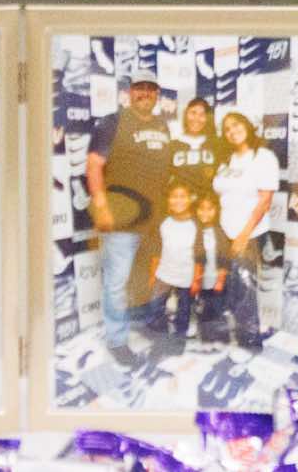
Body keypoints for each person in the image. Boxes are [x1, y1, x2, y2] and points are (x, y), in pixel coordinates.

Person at [84, 73, 171, 367]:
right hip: (122, 217)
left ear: (157, 94)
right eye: (139, 88)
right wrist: (101, 205)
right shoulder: (112, 122)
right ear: (130, 92)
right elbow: (94, 165)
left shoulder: (162, 125)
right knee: (116, 282)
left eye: (150, 89)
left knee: (144, 277)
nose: (145, 93)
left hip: (154, 219)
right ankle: (117, 340)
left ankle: (144, 321)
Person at [212, 111, 278, 347]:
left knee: (245, 288)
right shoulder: (226, 159)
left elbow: (265, 201)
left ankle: (249, 340)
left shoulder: (263, 157)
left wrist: (243, 235)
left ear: (248, 125)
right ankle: (243, 330)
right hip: (225, 230)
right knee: (233, 287)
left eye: (236, 124)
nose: (232, 131)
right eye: (227, 129)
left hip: (248, 233)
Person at [140, 179, 200, 355]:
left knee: (184, 311)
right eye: (174, 196)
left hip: (186, 276)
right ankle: (161, 339)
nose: (178, 201)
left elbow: (199, 255)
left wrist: (196, 279)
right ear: (168, 200)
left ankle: (179, 342)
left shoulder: (196, 225)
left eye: (182, 196)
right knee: (155, 309)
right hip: (164, 274)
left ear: (190, 199)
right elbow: (156, 251)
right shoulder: (163, 223)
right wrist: (153, 274)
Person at [189, 190, 233, 347]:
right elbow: (197, 257)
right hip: (201, 281)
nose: (205, 213)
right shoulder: (196, 230)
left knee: (217, 310)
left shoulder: (219, 231)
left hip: (217, 280)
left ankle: (221, 341)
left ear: (216, 210)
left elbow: (225, 258)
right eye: (201, 209)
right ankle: (206, 340)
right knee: (203, 311)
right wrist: (195, 280)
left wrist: (220, 281)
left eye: (210, 209)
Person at [169, 98, 225, 196]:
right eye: (193, 113)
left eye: (202, 115)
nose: (196, 119)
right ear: (185, 114)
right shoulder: (173, 145)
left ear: (208, 118)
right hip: (182, 202)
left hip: (207, 202)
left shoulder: (216, 144)